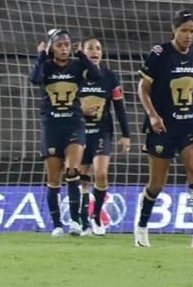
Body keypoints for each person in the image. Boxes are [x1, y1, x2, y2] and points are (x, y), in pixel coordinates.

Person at [135, 10, 193, 248]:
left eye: (192, 31)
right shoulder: (159, 53)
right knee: (157, 184)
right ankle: (141, 228)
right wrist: (152, 116)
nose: (188, 35)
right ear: (174, 30)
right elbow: (142, 88)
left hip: (189, 123)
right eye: (184, 30)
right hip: (162, 126)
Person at [30, 28, 102, 238]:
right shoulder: (46, 66)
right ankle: (56, 225)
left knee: (73, 171)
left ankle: (75, 221)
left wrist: (81, 54)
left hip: (74, 123)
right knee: (54, 178)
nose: (64, 49)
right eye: (59, 45)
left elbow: (96, 75)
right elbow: (34, 79)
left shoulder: (78, 65)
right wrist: (40, 56)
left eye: (67, 45)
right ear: (52, 46)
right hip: (51, 126)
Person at [77, 38, 131, 236]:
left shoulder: (109, 77)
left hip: (102, 132)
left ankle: (97, 215)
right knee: (81, 178)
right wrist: (81, 111)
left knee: (100, 174)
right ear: (82, 52)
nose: (95, 51)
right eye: (90, 48)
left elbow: (119, 107)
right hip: (79, 133)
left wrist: (126, 134)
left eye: (98, 48)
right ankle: (83, 221)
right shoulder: (75, 75)